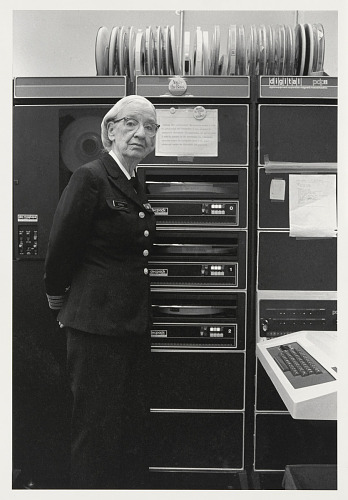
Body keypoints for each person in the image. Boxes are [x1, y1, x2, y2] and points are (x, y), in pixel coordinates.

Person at [44, 95, 159, 489]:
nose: (141, 133)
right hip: (95, 328)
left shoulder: (135, 179)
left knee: (126, 426)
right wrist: (56, 296)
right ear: (109, 130)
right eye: (131, 124)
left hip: (129, 323)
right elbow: (61, 246)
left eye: (150, 127)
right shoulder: (91, 176)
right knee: (95, 432)